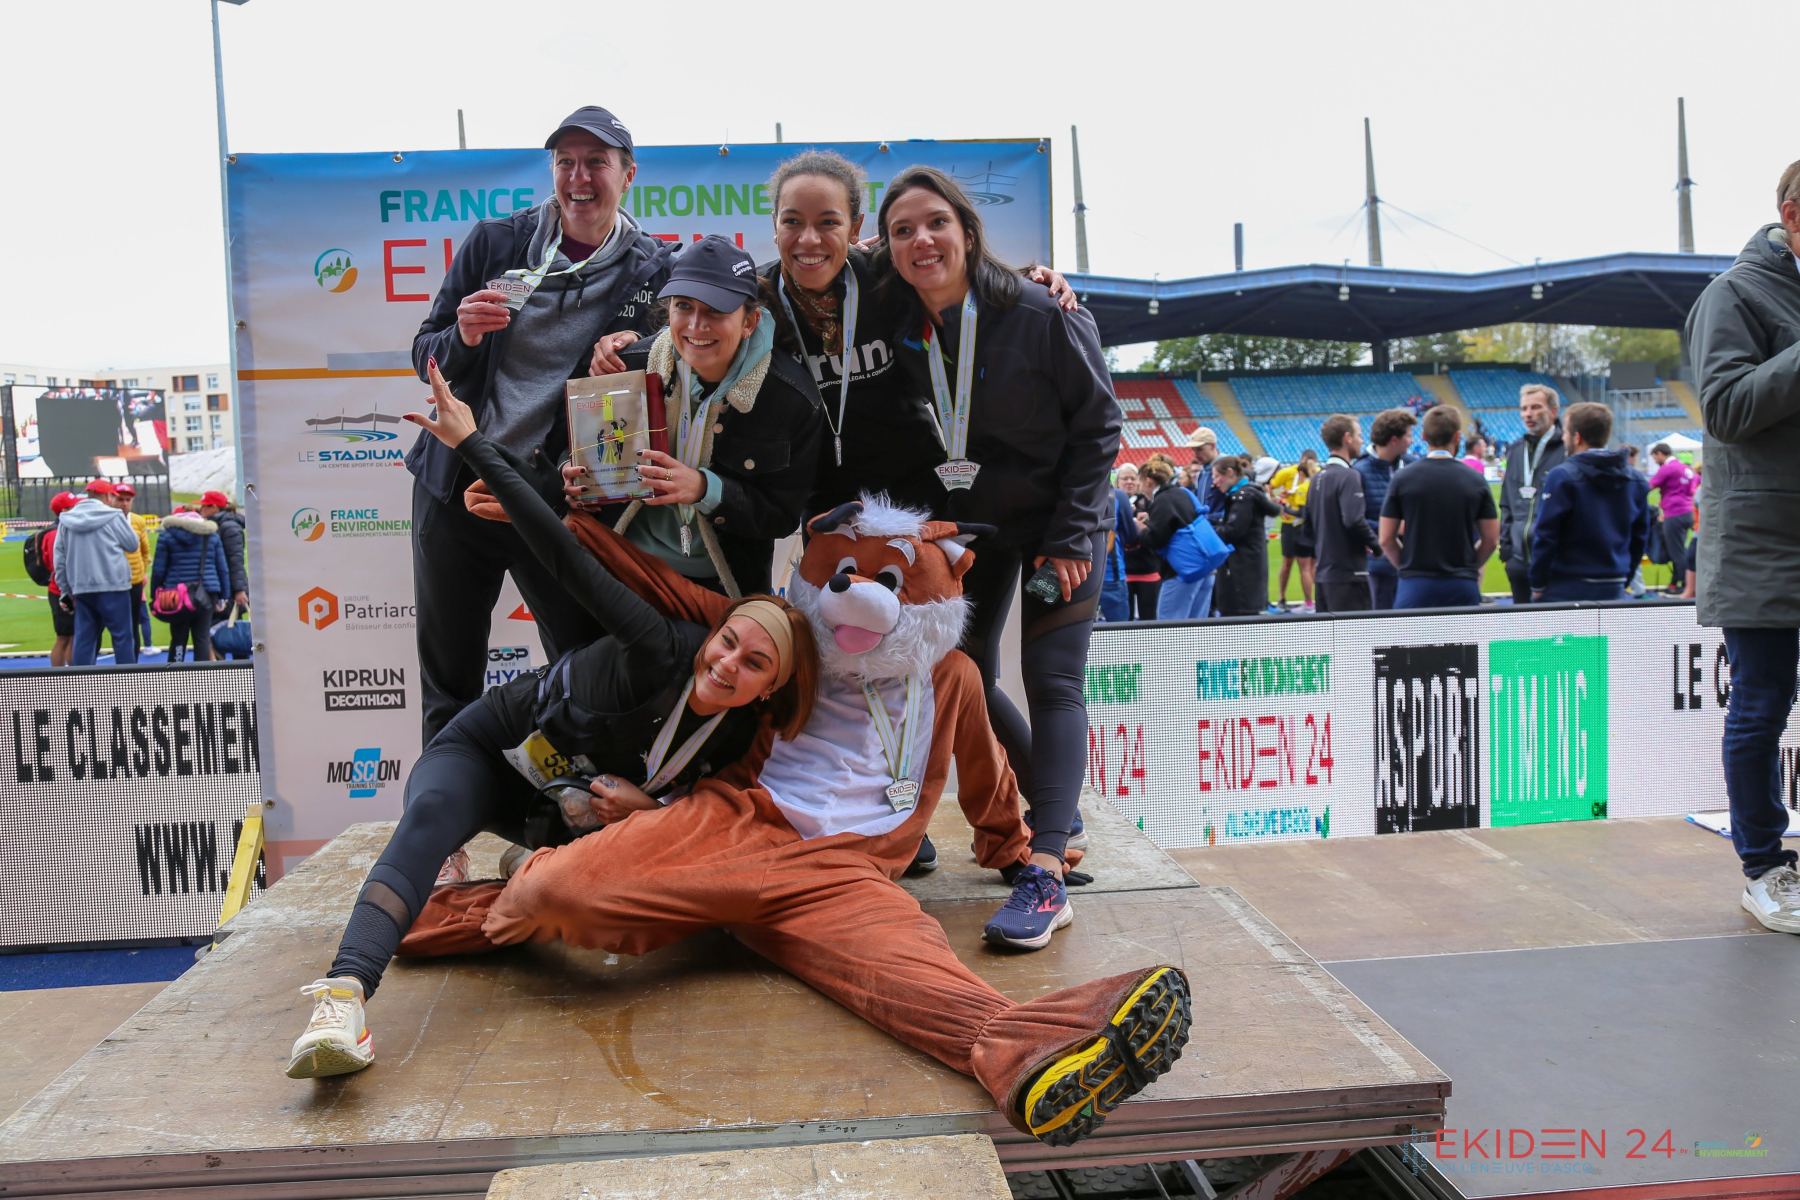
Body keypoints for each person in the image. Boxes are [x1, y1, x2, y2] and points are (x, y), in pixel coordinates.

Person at [289, 360, 820, 1080]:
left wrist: (654, 811)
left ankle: (526, 861)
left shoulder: (741, 741)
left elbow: (712, 827)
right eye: (729, 641)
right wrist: (474, 444)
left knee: (619, 874)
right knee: (430, 820)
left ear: (769, 690)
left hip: (562, 812)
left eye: (754, 664)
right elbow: (564, 555)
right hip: (489, 754)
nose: (727, 664)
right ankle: (343, 997)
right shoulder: (659, 648)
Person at [876, 166, 1119, 937]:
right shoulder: (896, 317)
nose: (921, 240)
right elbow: (798, 267)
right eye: (902, 230)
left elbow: (1099, 428)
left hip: (1060, 529)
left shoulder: (1043, 311)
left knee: (1053, 678)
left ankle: (1045, 871)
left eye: (936, 223)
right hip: (976, 529)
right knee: (967, 675)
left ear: (968, 232)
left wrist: (1072, 537)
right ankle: (1057, 812)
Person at [408, 105, 677, 744]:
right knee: (448, 683)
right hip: (458, 483)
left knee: (581, 672)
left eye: (596, 163)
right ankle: (445, 807)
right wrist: (463, 336)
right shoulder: (497, 243)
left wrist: (636, 349)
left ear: (628, 174)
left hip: (556, 494)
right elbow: (425, 354)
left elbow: (679, 357)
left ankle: (571, 801)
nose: (579, 178)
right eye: (566, 162)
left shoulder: (655, 267)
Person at [568, 235, 823, 597]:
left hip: (722, 585)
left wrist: (705, 489)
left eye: (716, 310)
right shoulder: (627, 366)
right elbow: (574, 454)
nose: (695, 325)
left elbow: (780, 517)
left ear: (750, 322)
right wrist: (572, 476)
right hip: (621, 566)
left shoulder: (789, 398)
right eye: (684, 306)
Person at [1683, 160, 1800, 933]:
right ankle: (1763, 867)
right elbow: (1725, 407)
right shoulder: (1734, 293)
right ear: (1793, 215)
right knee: (1762, 704)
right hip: (1764, 538)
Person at [1378, 405, 1498, 609]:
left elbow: (1385, 538)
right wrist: (1469, 568)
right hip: (1461, 584)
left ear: (1423, 436)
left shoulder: (1403, 478)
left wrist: (1406, 567)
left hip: (1415, 585)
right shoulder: (1475, 480)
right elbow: (1491, 539)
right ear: (1457, 436)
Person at [1527, 402, 1648, 602]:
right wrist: (1624, 578)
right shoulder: (1636, 479)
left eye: (1566, 433)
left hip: (1566, 585)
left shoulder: (1562, 476)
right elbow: (1639, 538)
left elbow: (1546, 535)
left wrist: (1537, 583)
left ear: (1577, 437)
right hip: (1613, 583)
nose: (1563, 438)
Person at [54, 481, 140, 666]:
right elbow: (132, 544)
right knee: (122, 637)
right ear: (108, 496)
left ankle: (83, 680)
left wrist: (65, 590)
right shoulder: (114, 516)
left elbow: (59, 558)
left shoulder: (66, 520)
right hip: (115, 585)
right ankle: (128, 679)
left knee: (84, 638)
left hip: (82, 587)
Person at [1302, 415, 1381, 614]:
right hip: (1349, 574)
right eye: (1359, 435)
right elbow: (1353, 519)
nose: (1362, 441)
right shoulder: (1349, 475)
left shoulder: (1317, 478)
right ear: (1347, 438)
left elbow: (1308, 527)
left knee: (1329, 633)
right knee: (1355, 632)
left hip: (1324, 574)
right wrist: (1377, 545)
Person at [1497, 383, 1567, 604]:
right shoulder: (1516, 450)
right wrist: (1507, 549)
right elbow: (1506, 501)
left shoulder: (1566, 450)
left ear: (1553, 411)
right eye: (1524, 408)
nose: (1528, 414)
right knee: (1522, 621)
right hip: (1517, 561)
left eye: (1535, 407)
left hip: (1554, 561)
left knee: (1555, 623)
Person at [150, 505, 230, 662]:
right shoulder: (211, 536)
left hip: (176, 594)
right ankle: (203, 673)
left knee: (178, 637)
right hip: (206, 592)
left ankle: (176, 670)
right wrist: (224, 596)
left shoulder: (167, 536)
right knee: (202, 637)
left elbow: (159, 570)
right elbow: (222, 568)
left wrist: (155, 594)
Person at [1355, 408, 1415, 610]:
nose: (1412, 441)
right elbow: (1356, 519)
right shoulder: (1359, 471)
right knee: (1384, 620)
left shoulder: (1412, 465)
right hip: (1379, 563)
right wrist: (1394, 528)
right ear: (1394, 440)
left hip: (1412, 562)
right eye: (1408, 435)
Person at [1134, 455, 1208, 619]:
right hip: (1204, 564)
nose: (1139, 488)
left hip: (1182, 569)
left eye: (1140, 483)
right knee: (1197, 625)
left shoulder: (1162, 500)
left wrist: (1141, 529)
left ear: (1149, 481)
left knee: (1169, 625)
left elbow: (1155, 540)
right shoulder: (1182, 493)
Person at [1208, 455, 1281, 617]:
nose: (1215, 482)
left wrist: (1207, 530)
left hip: (1241, 569)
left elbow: (1233, 531)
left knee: (1239, 617)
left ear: (1230, 473)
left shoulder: (1243, 498)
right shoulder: (1245, 495)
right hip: (1245, 567)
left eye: (1217, 476)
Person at [1647, 442, 1699, 596]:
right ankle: (1675, 582)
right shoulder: (1685, 468)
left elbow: (1649, 486)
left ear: (1660, 454)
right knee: (1680, 549)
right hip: (1688, 512)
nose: (1655, 461)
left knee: (1676, 552)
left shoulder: (1667, 468)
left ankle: (1684, 585)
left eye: (1655, 457)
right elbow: (1697, 483)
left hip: (1674, 513)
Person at [1270, 452, 1319, 612]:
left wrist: (1283, 506)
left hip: (1298, 526)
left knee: (1305, 565)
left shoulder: (1308, 482)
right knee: (1305, 564)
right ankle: (1316, 601)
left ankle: (1309, 603)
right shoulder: (1314, 478)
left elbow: (1301, 511)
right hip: (1309, 527)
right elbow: (1271, 486)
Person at [114, 483, 154, 653]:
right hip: (111, 582)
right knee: (114, 625)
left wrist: (141, 573)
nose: (124, 503)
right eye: (120, 499)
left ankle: (133, 662)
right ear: (112, 499)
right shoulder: (105, 520)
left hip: (134, 582)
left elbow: (145, 551)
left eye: (127, 500)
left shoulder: (138, 521)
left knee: (133, 623)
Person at [1117, 463, 1161, 619]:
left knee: (1149, 619)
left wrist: (1148, 521)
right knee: (1125, 621)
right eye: (1125, 478)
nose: (1129, 482)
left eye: (1132, 478)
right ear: (1117, 482)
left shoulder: (1151, 502)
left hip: (1147, 569)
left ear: (1138, 481)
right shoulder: (1110, 502)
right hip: (1122, 572)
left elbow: (1158, 531)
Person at [198, 489, 249, 617]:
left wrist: (239, 590)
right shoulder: (217, 525)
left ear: (214, 507)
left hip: (229, 589)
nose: (201, 509)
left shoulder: (229, 527)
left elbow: (235, 560)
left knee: (227, 625)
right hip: (220, 585)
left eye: (204, 506)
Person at [42, 491, 79, 667]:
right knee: (65, 638)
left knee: (70, 636)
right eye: (74, 506)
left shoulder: (55, 531)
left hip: (61, 589)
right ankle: (62, 675)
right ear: (64, 511)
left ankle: (69, 674)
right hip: (62, 591)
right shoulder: (55, 533)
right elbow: (58, 565)